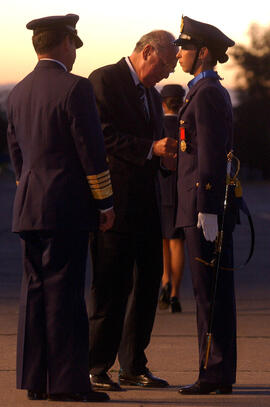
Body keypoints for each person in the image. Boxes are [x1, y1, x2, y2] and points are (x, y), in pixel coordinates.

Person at [7, 14, 114, 403]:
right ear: (65, 44)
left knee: (34, 292)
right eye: (74, 45)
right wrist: (105, 202)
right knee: (66, 294)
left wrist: (29, 189)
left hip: (29, 207)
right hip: (66, 207)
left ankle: (35, 380)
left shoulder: (18, 92)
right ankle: (68, 383)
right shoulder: (75, 88)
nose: (74, 53)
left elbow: (17, 154)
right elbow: (91, 151)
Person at [87, 30, 178, 391]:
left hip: (146, 205)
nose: (168, 74)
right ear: (147, 51)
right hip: (114, 204)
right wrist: (149, 148)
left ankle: (133, 364)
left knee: (147, 284)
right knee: (111, 286)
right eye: (166, 65)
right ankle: (96, 366)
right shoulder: (104, 80)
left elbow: (153, 149)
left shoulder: (152, 97)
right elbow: (102, 136)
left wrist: (166, 161)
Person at [174, 16, 238, 395]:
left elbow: (212, 154)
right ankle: (216, 372)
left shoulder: (208, 92)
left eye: (184, 47)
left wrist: (208, 205)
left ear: (203, 53)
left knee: (209, 295)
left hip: (205, 208)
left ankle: (214, 374)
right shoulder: (200, 90)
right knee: (209, 293)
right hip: (201, 204)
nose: (178, 53)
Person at [158, 84, 186, 313]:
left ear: (162, 102)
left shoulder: (156, 126)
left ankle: (165, 281)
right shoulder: (185, 127)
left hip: (159, 189)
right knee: (177, 242)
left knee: (163, 240)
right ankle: (175, 293)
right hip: (179, 191)